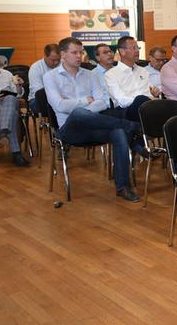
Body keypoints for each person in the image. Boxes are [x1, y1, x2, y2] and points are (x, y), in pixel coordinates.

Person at [44, 37, 141, 202]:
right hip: (69, 131)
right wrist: (84, 102)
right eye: (74, 52)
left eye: (80, 52)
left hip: (94, 127)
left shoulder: (91, 75)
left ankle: (123, 187)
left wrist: (82, 107)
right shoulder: (50, 77)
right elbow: (59, 105)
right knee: (78, 114)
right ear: (63, 54)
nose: (79, 56)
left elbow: (102, 103)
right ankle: (131, 126)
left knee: (117, 132)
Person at [105, 36, 160, 121]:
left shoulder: (143, 71)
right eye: (134, 48)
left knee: (173, 104)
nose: (137, 51)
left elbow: (150, 91)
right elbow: (121, 101)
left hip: (148, 107)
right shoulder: (111, 74)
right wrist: (146, 100)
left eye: (138, 48)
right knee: (140, 99)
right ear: (122, 51)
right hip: (126, 111)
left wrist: (154, 92)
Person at [28, 43, 61, 112]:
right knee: (55, 104)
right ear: (45, 56)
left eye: (58, 60)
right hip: (37, 100)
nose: (56, 62)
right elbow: (38, 91)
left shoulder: (63, 65)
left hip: (61, 97)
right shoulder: (36, 68)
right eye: (53, 60)